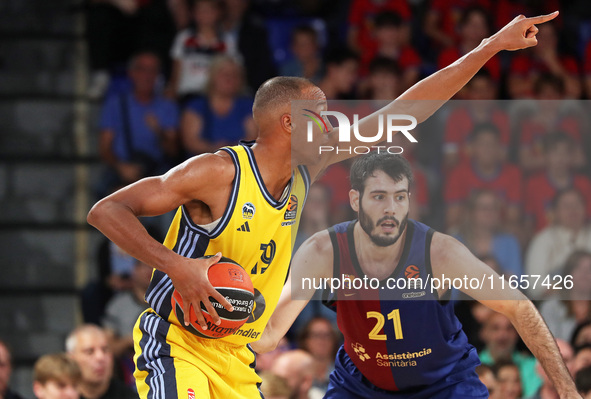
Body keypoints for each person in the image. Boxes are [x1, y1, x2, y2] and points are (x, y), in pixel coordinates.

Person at [87, 12, 561, 399]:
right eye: (322, 114)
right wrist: (178, 268)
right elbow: (105, 211)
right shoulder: (216, 173)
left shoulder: (306, 169)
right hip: (178, 343)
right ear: (290, 123)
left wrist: (488, 48)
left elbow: (400, 114)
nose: (333, 123)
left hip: (235, 354)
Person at [253, 152, 579, 398]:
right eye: (379, 197)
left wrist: (567, 391)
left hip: (443, 383)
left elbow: (518, 306)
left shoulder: (439, 253)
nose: (390, 209)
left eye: (399, 197)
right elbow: (269, 333)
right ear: (355, 199)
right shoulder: (325, 252)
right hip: (361, 384)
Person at [98, 51, 179, 193]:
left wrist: (158, 131)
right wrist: (121, 167)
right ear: (132, 73)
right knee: (112, 200)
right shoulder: (116, 105)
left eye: (152, 71)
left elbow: (173, 150)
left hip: (156, 172)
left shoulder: (167, 107)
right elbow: (105, 148)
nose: (147, 76)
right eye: (142, 69)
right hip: (122, 169)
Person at [180, 55, 256, 156]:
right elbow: (191, 142)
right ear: (212, 76)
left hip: (240, 165)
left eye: (235, 75)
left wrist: (226, 151)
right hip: (201, 165)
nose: (230, 78)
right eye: (224, 74)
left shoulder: (248, 106)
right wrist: (219, 149)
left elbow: (254, 139)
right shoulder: (196, 106)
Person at [66, 325, 136, 399]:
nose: (100, 357)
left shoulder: (130, 396)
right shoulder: (60, 396)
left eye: (105, 350)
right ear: (71, 358)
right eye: (89, 351)